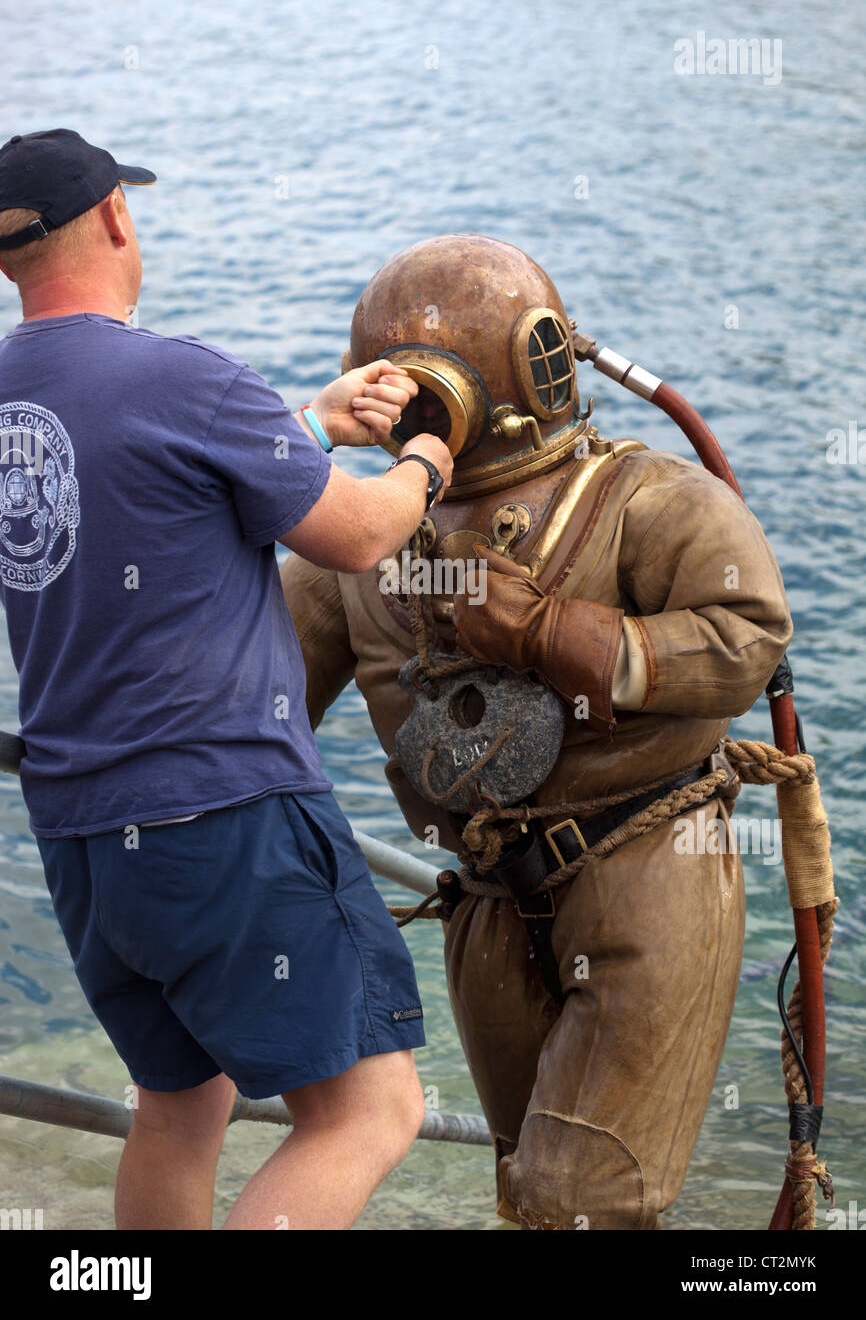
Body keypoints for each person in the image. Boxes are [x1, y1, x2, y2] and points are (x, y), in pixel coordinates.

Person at [280, 233, 794, 1230]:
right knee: (527, 1187)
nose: (419, 407)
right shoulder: (362, 544)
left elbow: (746, 638)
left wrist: (553, 632)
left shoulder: (642, 500)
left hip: (645, 870)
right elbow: (250, 694)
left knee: (580, 1195)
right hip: (484, 890)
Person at [0, 129, 454, 1230]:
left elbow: (132, 473)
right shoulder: (184, 375)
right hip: (223, 811)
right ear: (115, 217)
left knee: (180, 1102)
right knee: (368, 1110)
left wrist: (307, 422)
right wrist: (426, 457)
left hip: (81, 831)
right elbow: (353, 536)